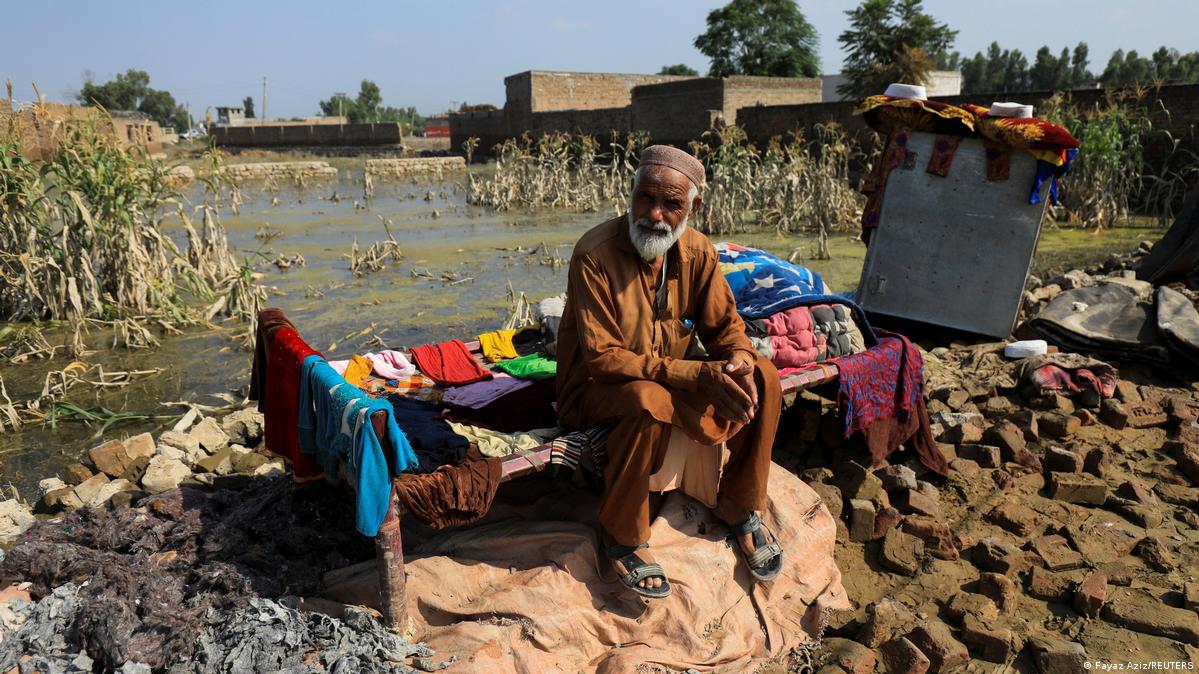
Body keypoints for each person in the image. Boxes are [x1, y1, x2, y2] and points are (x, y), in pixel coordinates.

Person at [555, 145, 784, 599]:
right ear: (631, 193)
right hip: (597, 392)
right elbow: (604, 359)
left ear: (693, 209)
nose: (654, 214)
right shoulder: (594, 254)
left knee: (764, 375)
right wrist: (695, 375)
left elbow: (725, 329)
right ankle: (624, 535)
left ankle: (739, 505)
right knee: (647, 400)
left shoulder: (698, 252)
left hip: (667, 377)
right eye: (645, 198)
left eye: (670, 204)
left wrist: (738, 358)